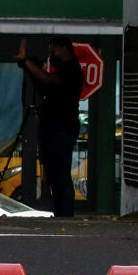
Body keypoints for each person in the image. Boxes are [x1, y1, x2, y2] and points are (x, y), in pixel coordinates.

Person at [17, 36, 85, 217]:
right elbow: (45, 87)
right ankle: (61, 211)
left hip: (61, 129)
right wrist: (33, 70)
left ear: (63, 49)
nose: (51, 55)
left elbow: (48, 81)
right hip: (53, 129)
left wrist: (27, 63)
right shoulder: (62, 70)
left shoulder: (71, 70)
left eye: (53, 50)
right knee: (55, 175)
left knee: (61, 173)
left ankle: (65, 213)